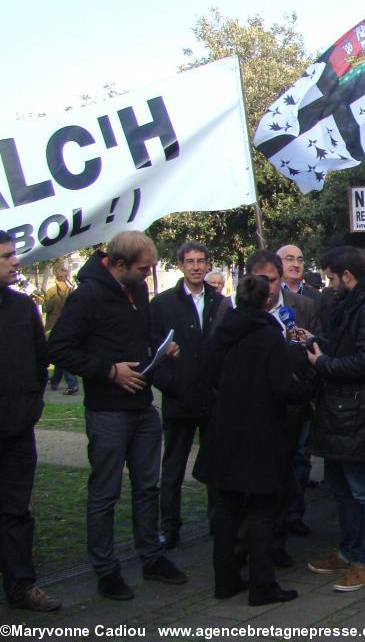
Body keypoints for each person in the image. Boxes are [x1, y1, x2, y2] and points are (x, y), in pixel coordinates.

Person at [48, 231, 186, 600]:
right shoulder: (87, 296)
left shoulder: (137, 291)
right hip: (107, 411)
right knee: (105, 492)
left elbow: (136, 337)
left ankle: (151, 556)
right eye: (143, 269)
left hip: (142, 408)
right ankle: (106, 570)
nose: (148, 276)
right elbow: (59, 348)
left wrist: (159, 350)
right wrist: (109, 371)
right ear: (119, 264)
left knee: (146, 487)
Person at [200, 274, 311, 605]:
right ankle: (262, 585)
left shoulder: (224, 331)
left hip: (226, 429)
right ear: (265, 301)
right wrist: (309, 386)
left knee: (227, 508)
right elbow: (282, 386)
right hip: (260, 431)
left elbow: (211, 373)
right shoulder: (268, 335)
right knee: (262, 509)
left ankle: (226, 579)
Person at [306, 246, 365, 592]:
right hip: (345, 410)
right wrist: (319, 344)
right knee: (342, 486)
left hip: (363, 412)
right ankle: (349, 552)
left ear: (347, 276)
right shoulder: (356, 302)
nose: (330, 285)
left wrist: (322, 364)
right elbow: (349, 347)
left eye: (333, 278)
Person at [0, 231, 62, 612]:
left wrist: (31, 406)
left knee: (16, 512)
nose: (14, 261)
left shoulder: (24, 308)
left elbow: (42, 362)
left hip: (17, 431)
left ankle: (22, 587)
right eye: (6, 256)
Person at [150, 241, 224, 551]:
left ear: (208, 265)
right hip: (179, 398)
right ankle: (170, 525)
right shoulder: (164, 303)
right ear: (181, 265)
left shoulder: (220, 302)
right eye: (190, 261)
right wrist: (170, 383)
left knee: (215, 466)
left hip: (212, 397)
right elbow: (151, 350)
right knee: (173, 468)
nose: (196, 266)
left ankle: (218, 520)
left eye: (201, 261)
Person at [42, 261, 79, 395]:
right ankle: (55, 381)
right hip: (68, 325)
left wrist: (47, 300)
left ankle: (72, 382)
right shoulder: (72, 290)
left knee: (58, 354)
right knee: (59, 352)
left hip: (53, 326)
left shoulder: (51, 291)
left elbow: (45, 308)